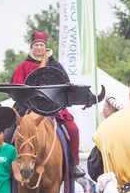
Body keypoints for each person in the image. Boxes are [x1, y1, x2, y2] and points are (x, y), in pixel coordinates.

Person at [10, 31, 85, 178]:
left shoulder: (55, 65)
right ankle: (4, 166)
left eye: (41, 45)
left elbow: (64, 86)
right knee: (7, 133)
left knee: (73, 130)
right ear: (32, 47)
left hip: (52, 108)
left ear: (46, 47)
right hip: (28, 107)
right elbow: (16, 88)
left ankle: (73, 165)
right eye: (36, 45)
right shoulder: (23, 66)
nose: (39, 48)